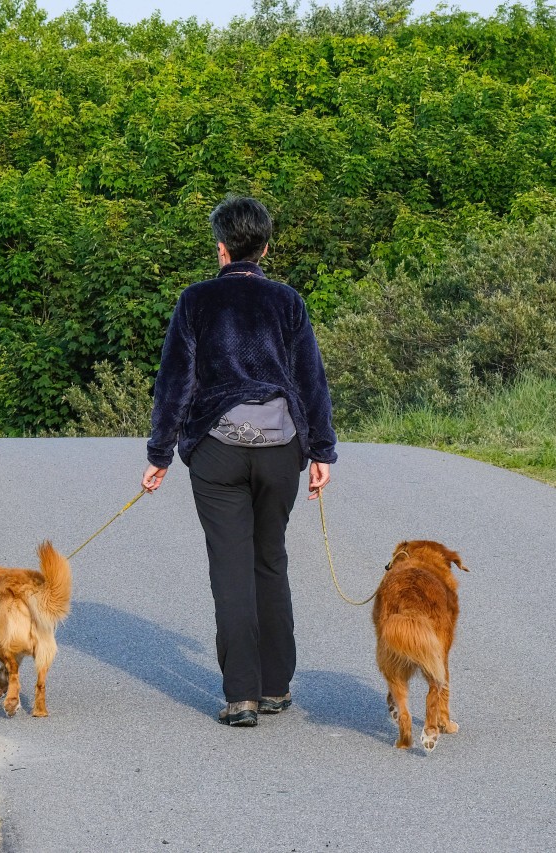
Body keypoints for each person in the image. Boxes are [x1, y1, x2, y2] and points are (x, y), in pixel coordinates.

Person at [141, 195, 337, 727]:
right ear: (265, 247)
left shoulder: (196, 301)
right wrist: (322, 450)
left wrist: (160, 454)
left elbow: (175, 384)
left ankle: (242, 697)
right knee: (270, 559)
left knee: (230, 568)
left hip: (218, 452)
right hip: (281, 452)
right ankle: (276, 686)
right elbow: (310, 380)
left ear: (221, 249)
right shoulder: (288, 301)